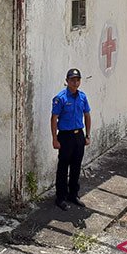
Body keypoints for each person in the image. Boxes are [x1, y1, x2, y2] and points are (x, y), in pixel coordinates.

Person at [51, 68, 92, 211]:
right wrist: (55, 139)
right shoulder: (60, 98)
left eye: (78, 80)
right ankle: (60, 197)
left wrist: (87, 135)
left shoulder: (82, 97)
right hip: (65, 136)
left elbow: (87, 115)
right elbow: (54, 119)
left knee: (76, 166)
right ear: (67, 81)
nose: (75, 83)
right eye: (72, 80)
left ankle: (73, 194)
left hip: (78, 135)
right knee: (63, 167)